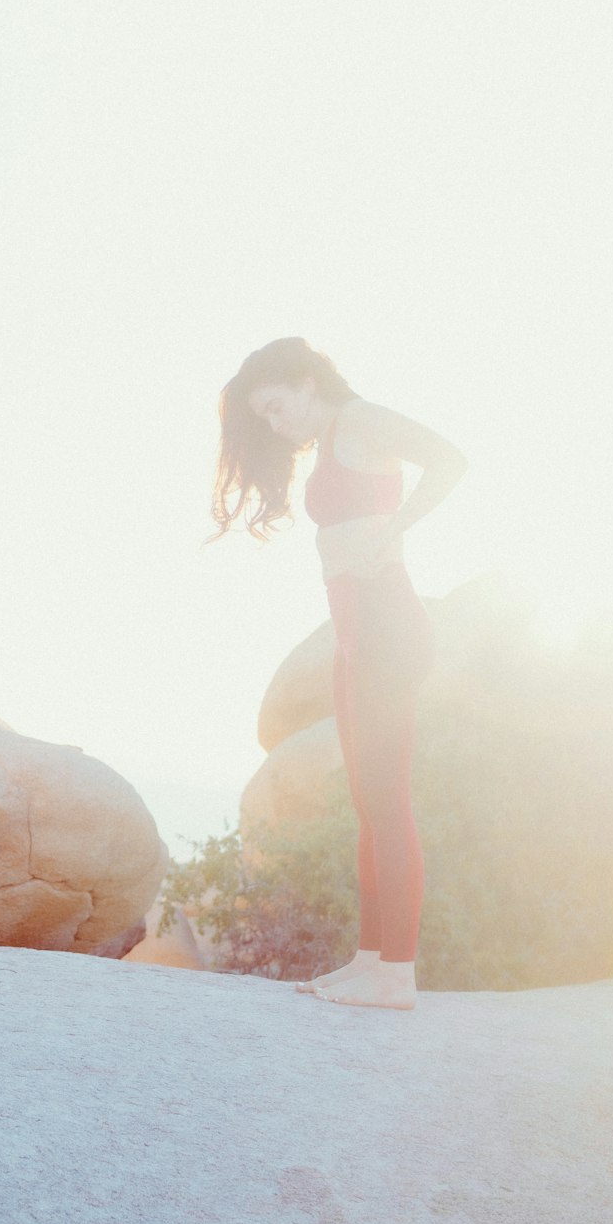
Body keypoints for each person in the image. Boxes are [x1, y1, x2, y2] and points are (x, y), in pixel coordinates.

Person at [207, 337, 468, 1009]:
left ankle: (396, 976)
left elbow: (449, 458)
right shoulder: (331, 441)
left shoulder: (363, 420)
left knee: (389, 803)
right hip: (359, 641)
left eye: (275, 406)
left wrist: (400, 523)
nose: (275, 424)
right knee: (366, 807)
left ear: (305, 380)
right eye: (263, 418)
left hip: (388, 630)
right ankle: (370, 961)